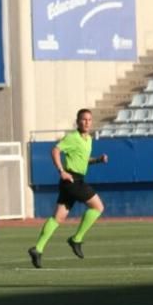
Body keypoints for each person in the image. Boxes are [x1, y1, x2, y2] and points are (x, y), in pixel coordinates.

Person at [28, 108, 108, 269]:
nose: (87, 122)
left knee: (58, 218)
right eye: (83, 119)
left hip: (72, 181)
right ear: (77, 121)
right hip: (72, 180)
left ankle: (38, 249)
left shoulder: (88, 139)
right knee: (98, 207)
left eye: (89, 120)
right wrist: (61, 171)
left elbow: (83, 160)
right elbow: (55, 150)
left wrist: (97, 160)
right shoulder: (73, 137)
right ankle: (76, 239)